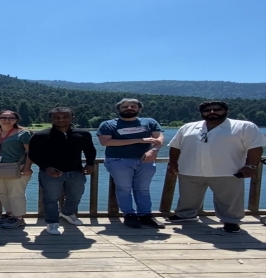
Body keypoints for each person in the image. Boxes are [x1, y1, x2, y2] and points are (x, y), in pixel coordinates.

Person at [167, 101, 266, 233]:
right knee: (187, 197)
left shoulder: (244, 126)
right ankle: (185, 215)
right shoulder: (187, 127)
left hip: (228, 170)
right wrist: (173, 163)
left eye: (217, 109)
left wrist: (251, 166)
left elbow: (255, 147)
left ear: (226, 111)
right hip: (190, 169)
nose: (212, 112)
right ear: (202, 113)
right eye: (207, 110)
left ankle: (231, 221)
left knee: (230, 199)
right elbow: (175, 146)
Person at [97, 98, 165, 229]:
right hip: (118, 160)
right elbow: (106, 142)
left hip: (146, 160)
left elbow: (159, 138)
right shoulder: (108, 124)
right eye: (125, 107)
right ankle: (129, 215)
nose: (129, 108)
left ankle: (145, 215)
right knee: (124, 189)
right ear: (119, 110)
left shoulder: (150, 122)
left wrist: (154, 150)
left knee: (143, 189)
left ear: (139, 109)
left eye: (133, 106)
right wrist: (140, 140)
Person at [29, 107, 97, 235]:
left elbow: (90, 150)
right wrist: (46, 167)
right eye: (57, 117)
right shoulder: (40, 135)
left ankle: (67, 213)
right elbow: (34, 154)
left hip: (76, 171)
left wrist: (89, 164)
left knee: (75, 196)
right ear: (50, 119)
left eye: (65, 117)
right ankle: (52, 222)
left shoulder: (83, 134)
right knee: (50, 198)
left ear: (73, 118)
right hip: (50, 173)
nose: (61, 119)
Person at [0, 110, 33, 229]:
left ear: (16, 120)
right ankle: (10, 214)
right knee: (2, 193)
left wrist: (27, 167)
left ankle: (18, 218)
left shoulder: (23, 133)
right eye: (3, 117)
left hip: (18, 168)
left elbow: (30, 152)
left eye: (11, 118)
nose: (7, 120)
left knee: (16, 194)